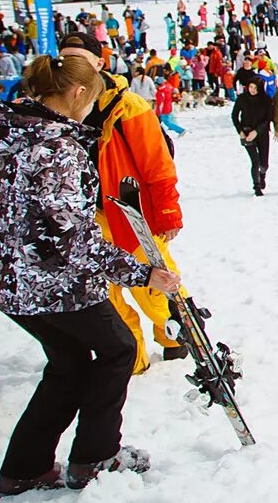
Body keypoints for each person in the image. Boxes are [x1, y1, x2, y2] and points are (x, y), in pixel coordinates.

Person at [0, 55, 181, 497]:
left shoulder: (9, 133)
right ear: (77, 94)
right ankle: (96, 457)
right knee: (118, 350)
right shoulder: (54, 147)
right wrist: (143, 273)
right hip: (56, 284)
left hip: (16, 279)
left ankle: (25, 468)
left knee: (68, 364)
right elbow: (72, 238)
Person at [59, 33, 187, 376]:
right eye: (65, 59)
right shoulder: (59, 107)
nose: (71, 67)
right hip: (87, 217)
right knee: (106, 293)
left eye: (79, 59)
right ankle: (130, 356)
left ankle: (178, 336)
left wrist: (167, 210)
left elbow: (157, 162)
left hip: (129, 213)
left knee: (154, 281)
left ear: (99, 63)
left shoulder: (126, 105)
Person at [230, 71, 273, 196]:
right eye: (250, 87)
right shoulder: (242, 98)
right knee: (255, 161)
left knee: (264, 162)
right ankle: (257, 187)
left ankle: (262, 174)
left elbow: (268, 118)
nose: (252, 90)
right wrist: (240, 131)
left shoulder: (266, 100)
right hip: (246, 132)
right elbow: (234, 116)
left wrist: (257, 131)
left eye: (255, 88)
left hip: (262, 132)